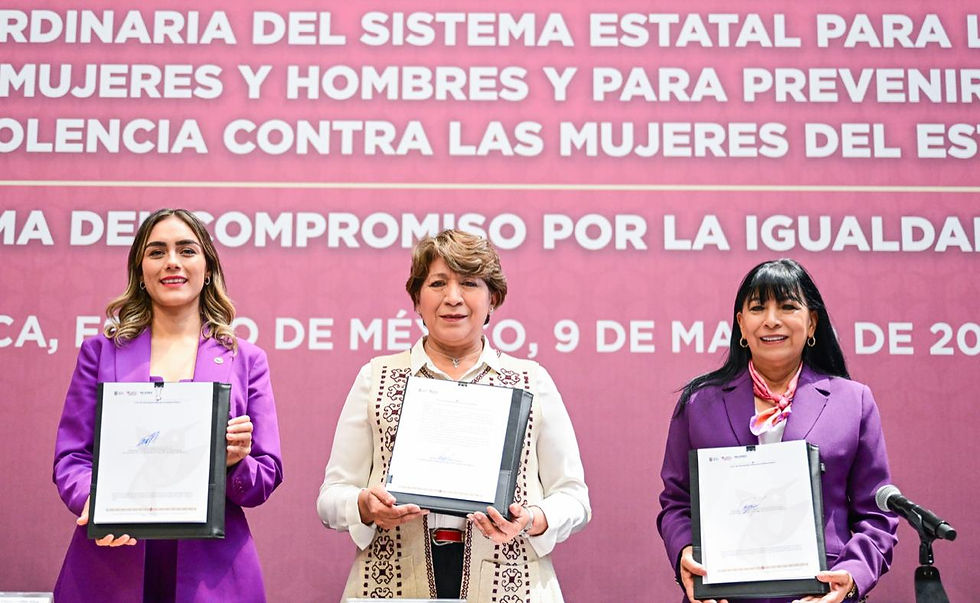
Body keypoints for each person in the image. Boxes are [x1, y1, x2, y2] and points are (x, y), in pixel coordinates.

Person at [317, 229, 590, 601]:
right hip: (392, 583)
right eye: (438, 283)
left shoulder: (530, 381)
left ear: (493, 299)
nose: (453, 298)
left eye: (469, 283)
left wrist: (533, 519)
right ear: (417, 299)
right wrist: (364, 506)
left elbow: (573, 497)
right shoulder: (377, 377)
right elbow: (331, 498)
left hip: (513, 583)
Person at [52, 208, 284, 602]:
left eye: (187, 250)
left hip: (211, 571)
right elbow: (72, 457)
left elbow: (265, 476)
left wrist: (233, 462)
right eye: (157, 252)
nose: (172, 262)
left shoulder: (246, 360)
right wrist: (95, 502)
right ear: (140, 271)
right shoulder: (99, 353)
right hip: (113, 558)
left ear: (207, 268)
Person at [657, 259, 898, 603]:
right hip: (721, 596)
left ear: (812, 322)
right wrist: (685, 552)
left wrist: (852, 575)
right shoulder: (699, 403)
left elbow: (876, 512)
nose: (771, 319)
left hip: (819, 595)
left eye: (787, 306)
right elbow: (676, 502)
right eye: (758, 308)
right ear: (741, 324)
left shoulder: (853, 401)